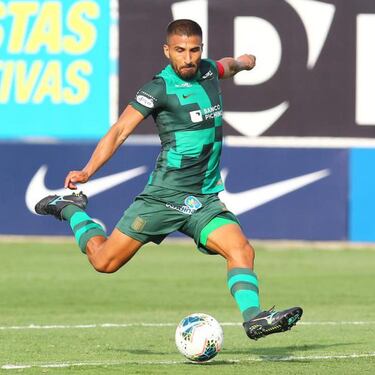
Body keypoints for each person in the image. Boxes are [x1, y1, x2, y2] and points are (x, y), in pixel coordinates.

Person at [35, 19, 302, 340]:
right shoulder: (157, 89)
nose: (187, 58)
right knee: (104, 262)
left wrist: (243, 64)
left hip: (203, 199)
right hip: (163, 196)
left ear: (201, 49)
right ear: (167, 51)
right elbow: (120, 130)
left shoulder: (207, 70)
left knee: (241, 250)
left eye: (194, 50)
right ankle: (70, 208)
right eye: (180, 51)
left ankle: (254, 318)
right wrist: (88, 171)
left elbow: (226, 66)